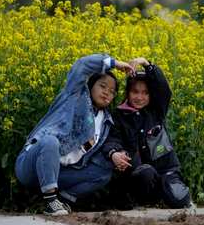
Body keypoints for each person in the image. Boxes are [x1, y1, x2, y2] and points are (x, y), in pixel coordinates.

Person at [15, 54, 135, 216]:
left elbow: (104, 149)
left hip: (62, 173)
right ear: (91, 85)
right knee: (50, 142)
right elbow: (81, 66)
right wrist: (114, 63)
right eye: (103, 86)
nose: (107, 93)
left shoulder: (107, 122)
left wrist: (116, 155)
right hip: (32, 166)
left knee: (104, 171)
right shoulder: (75, 95)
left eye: (112, 91)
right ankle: (51, 201)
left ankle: (62, 201)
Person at [102, 57, 191, 209]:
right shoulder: (119, 115)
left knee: (179, 200)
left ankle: (164, 195)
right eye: (135, 92)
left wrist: (147, 64)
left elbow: (163, 90)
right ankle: (144, 200)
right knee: (146, 173)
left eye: (145, 93)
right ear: (127, 92)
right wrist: (114, 153)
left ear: (151, 95)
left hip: (166, 170)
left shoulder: (156, 111)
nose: (139, 97)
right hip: (137, 175)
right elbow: (112, 139)